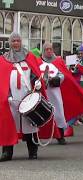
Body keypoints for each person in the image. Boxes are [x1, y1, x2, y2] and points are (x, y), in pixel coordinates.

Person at [0, 32, 49, 161]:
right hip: (11, 99)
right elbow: (2, 80)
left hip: (27, 96)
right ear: (10, 43)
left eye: (18, 41)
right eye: (13, 41)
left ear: (21, 42)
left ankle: (33, 151)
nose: (16, 43)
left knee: (30, 123)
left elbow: (35, 74)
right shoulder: (4, 59)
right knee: (8, 125)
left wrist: (37, 83)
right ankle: (7, 152)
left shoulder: (30, 57)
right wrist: (8, 95)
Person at [39, 42, 83, 142]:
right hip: (44, 93)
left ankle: (60, 136)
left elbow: (63, 75)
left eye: (50, 49)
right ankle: (42, 136)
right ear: (43, 51)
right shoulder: (38, 62)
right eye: (47, 49)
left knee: (58, 113)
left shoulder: (58, 61)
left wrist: (56, 80)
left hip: (55, 92)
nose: (49, 51)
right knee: (43, 114)